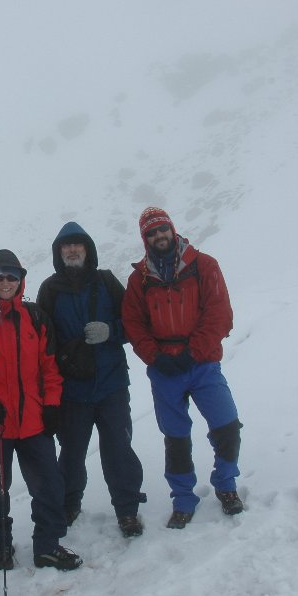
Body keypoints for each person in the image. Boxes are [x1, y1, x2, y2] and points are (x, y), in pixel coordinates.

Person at [0, 249, 83, 572]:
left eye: (11, 276)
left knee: (49, 485)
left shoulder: (35, 317)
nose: (5, 282)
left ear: (21, 280)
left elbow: (50, 367)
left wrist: (51, 405)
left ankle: (47, 545)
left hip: (32, 421)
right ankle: (1, 544)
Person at [121, 207, 245, 530]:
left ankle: (226, 484)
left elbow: (219, 313)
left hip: (202, 364)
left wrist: (193, 352)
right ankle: (183, 499)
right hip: (165, 371)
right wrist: (155, 357)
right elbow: (133, 324)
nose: (158, 236)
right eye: (151, 233)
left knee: (227, 426)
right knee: (176, 439)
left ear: (172, 230)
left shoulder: (204, 266)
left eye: (162, 229)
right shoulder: (139, 280)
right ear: (145, 239)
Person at [35, 222, 146, 538]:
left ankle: (127, 509)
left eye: (77, 244)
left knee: (118, 448)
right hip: (71, 389)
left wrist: (112, 331)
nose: (72, 250)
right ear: (59, 252)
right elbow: (42, 341)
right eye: (66, 246)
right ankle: (69, 505)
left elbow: (134, 322)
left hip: (112, 385)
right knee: (71, 453)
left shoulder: (106, 281)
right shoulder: (50, 289)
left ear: (88, 249)